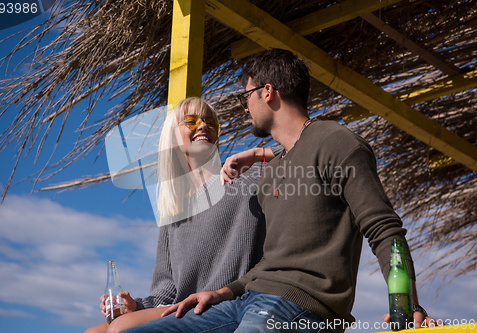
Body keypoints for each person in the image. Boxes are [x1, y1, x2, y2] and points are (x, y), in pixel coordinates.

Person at [119, 49, 431, 333]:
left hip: (301, 304)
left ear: (267, 92)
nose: (245, 109)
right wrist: (220, 293)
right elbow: (267, 265)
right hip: (244, 300)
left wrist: (408, 306)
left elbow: (384, 229)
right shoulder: (274, 172)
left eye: (246, 99)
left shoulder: (336, 142)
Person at [85, 97, 280, 333]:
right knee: (94, 331)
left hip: (227, 302)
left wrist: (258, 153)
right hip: (182, 307)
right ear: (171, 137)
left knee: (120, 328)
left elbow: (301, 148)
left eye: (210, 122)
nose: (203, 126)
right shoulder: (173, 208)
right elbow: (167, 288)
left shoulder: (241, 175)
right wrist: (135, 305)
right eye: (191, 121)